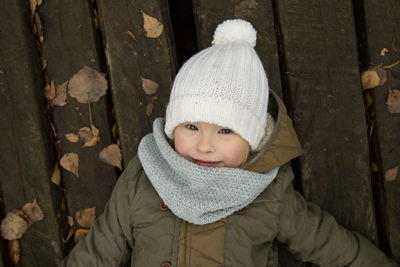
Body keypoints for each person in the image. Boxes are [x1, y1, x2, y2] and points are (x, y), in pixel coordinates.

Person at [60, 19, 398, 266]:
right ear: (173, 127)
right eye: (191, 126)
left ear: (251, 139)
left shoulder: (268, 193)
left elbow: (331, 245)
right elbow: (99, 252)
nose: (205, 146)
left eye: (225, 131)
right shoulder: (144, 178)